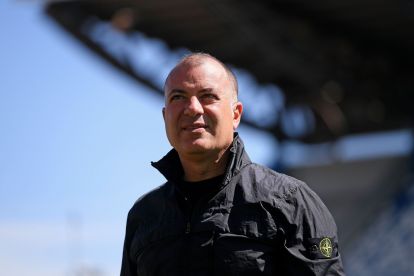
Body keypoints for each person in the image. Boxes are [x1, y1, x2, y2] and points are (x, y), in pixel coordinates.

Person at [120, 53, 345, 275]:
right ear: (165, 116)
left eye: (207, 96)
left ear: (236, 114)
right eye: (178, 97)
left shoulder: (291, 202)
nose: (193, 108)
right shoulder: (144, 215)